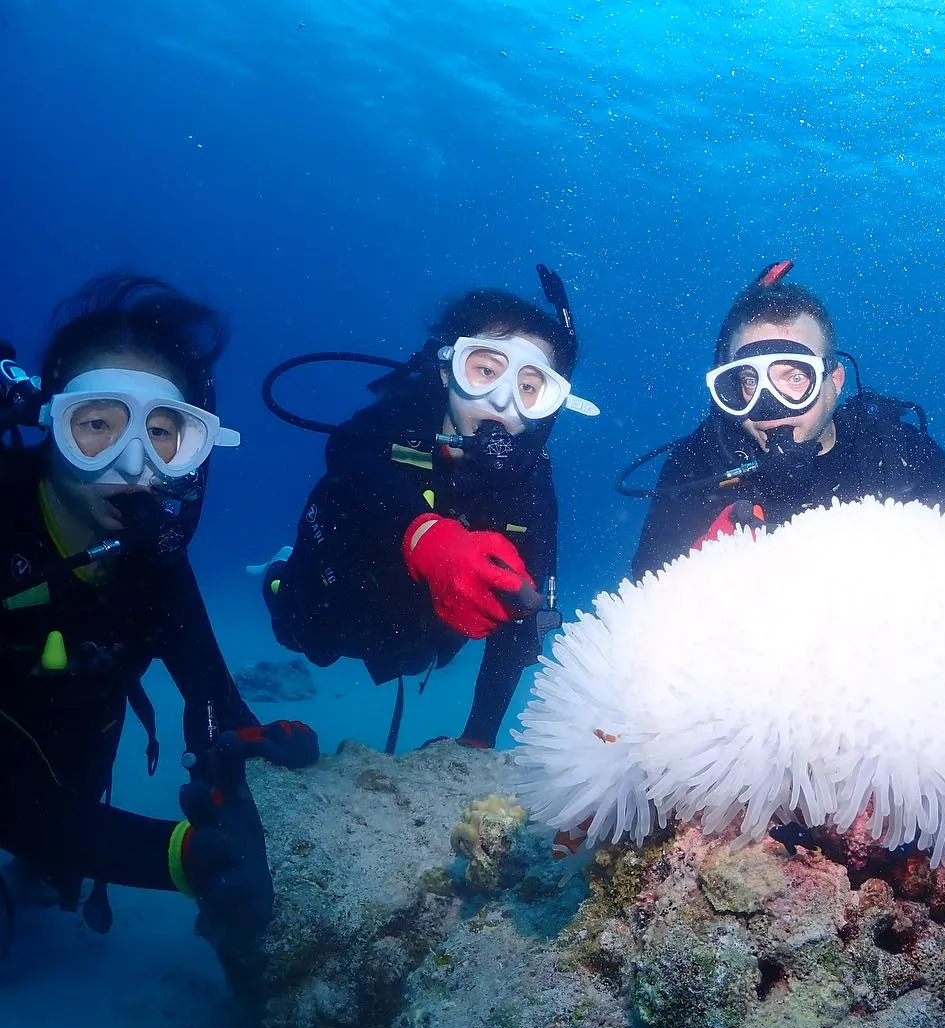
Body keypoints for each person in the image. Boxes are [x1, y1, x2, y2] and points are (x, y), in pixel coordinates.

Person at [0, 273, 317, 943]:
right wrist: (179, 857)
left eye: (164, 432)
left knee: (55, 860)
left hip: (75, 747)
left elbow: (214, 697)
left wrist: (256, 750)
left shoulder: (154, 562)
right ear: (50, 424)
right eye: (96, 425)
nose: (131, 459)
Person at [263, 266, 598, 749]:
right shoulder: (398, 419)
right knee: (308, 641)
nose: (501, 400)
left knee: (422, 652)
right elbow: (348, 455)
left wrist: (478, 738)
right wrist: (424, 536)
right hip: (345, 577)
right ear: (447, 369)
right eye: (485, 370)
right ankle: (274, 573)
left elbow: (522, 617)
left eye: (529, 386)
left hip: (420, 622)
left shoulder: (531, 480)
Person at [628, 262, 945, 577]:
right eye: (749, 381)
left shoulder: (900, 454)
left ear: (834, 381)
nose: (769, 407)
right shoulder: (700, 466)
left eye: (795, 378)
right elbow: (650, 598)